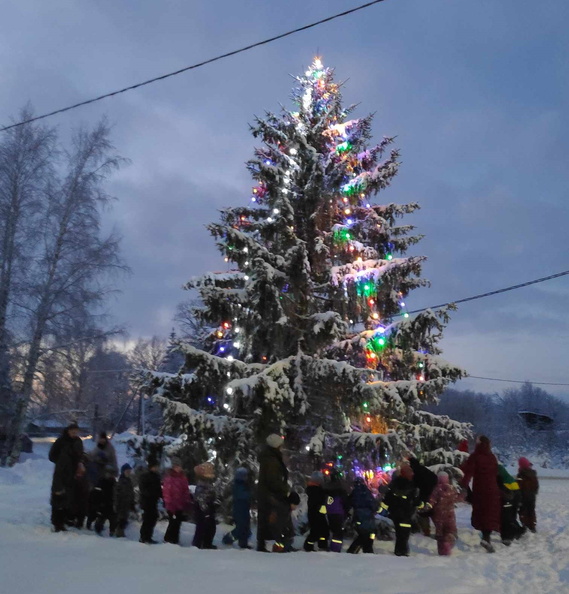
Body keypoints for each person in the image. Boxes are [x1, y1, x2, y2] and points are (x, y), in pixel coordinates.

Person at [460, 435, 501, 553]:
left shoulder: (475, 456)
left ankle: (486, 538)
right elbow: (496, 471)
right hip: (493, 488)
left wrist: (463, 485)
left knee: (482, 512)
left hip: (480, 489)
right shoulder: (492, 457)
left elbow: (468, 472)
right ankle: (486, 537)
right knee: (490, 513)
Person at [257, 434, 294, 553]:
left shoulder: (270, 458)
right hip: (272, 495)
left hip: (268, 494)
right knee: (275, 521)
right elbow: (273, 480)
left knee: (269, 520)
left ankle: (268, 544)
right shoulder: (272, 461)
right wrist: (284, 489)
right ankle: (275, 545)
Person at [48, 421, 84, 532]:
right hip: (61, 472)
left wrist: (80, 463)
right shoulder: (61, 441)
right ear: (68, 431)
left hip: (72, 473)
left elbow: (80, 455)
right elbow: (52, 455)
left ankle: (64, 520)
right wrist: (61, 462)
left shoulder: (78, 441)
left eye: (76, 432)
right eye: (73, 431)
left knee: (68, 498)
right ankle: (57, 523)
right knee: (58, 496)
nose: (74, 433)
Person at [381, 463, 420, 557]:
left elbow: (387, 498)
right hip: (406, 513)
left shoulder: (394, 484)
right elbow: (415, 500)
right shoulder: (411, 485)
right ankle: (402, 552)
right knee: (404, 534)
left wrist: (385, 510)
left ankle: (399, 550)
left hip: (395, 513)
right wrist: (419, 504)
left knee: (399, 533)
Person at [426, 472, 465, 556]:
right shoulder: (452, 488)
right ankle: (448, 544)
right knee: (450, 530)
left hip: (438, 514)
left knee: (440, 532)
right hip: (449, 514)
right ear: (447, 479)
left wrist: (427, 506)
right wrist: (462, 495)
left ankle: (441, 550)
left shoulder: (436, 489)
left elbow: (432, 501)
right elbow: (457, 498)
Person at [163, 457, 191, 545]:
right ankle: (168, 539)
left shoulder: (183, 478)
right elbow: (166, 492)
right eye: (176, 466)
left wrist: (187, 501)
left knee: (178, 523)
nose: (178, 468)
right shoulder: (169, 478)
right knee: (173, 522)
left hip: (180, 504)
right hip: (172, 505)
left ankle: (175, 539)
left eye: (179, 466)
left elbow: (185, 490)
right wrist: (169, 503)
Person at [223, 467, 252, 549]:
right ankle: (228, 539)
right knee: (240, 527)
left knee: (245, 527)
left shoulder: (244, 485)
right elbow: (241, 496)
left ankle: (243, 543)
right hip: (239, 509)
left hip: (244, 509)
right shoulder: (238, 485)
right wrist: (249, 495)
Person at [408, 456, 437, 536]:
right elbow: (434, 478)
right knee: (432, 511)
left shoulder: (415, 471)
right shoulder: (423, 469)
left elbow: (414, 484)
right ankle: (439, 529)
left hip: (424, 493)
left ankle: (426, 530)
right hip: (432, 491)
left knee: (424, 512)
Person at [347, 477, 377, 554]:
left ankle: (352, 551)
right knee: (370, 533)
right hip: (369, 517)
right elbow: (373, 504)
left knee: (362, 534)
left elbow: (349, 503)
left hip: (359, 516)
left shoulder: (355, 492)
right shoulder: (367, 492)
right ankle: (368, 549)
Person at [192, 462, 218, 549]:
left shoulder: (208, 483)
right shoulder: (201, 484)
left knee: (210, 527)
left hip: (208, 508)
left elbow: (211, 495)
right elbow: (200, 498)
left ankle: (207, 543)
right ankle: (197, 544)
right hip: (202, 510)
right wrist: (206, 511)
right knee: (201, 527)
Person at [497, 465, 524, 545]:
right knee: (511, 517)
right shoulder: (507, 476)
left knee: (506, 518)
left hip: (509, 498)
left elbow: (502, 490)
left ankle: (508, 537)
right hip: (515, 498)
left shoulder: (500, 478)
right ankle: (518, 530)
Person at [324, 469, 350, 553]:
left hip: (329, 512)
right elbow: (345, 502)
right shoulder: (341, 489)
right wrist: (347, 512)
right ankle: (335, 549)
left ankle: (329, 546)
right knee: (338, 532)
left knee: (332, 530)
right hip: (339, 512)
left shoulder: (326, 488)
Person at [303, 471, 329, 552]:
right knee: (317, 531)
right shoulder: (316, 490)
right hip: (316, 513)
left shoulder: (314, 489)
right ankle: (309, 546)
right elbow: (319, 501)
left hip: (317, 512)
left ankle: (320, 545)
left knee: (321, 530)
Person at [139, 457, 162, 544]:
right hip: (147, 501)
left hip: (154, 501)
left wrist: (160, 495)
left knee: (153, 518)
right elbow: (143, 489)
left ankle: (148, 536)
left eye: (156, 466)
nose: (156, 468)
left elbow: (159, 489)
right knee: (147, 519)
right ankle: (143, 537)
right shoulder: (145, 476)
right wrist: (151, 494)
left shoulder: (156, 476)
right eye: (154, 466)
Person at [91, 465, 117, 536]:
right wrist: (98, 503)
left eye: (111, 473)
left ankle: (112, 531)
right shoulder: (101, 481)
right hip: (102, 503)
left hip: (111, 503)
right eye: (109, 473)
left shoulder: (113, 482)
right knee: (101, 517)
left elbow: (115, 492)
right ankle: (97, 531)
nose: (110, 475)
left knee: (113, 518)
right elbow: (96, 493)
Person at [517, 457, 539, 533]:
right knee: (531, 510)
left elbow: (518, 486)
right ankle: (532, 526)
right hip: (532, 496)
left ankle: (524, 525)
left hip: (523, 496)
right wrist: (534, 492)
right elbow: (536, 485)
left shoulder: (521, 474)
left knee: (522, 511)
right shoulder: (533, 474)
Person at [115, 463, 135, 538]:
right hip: (121, 504)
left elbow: (131, 492)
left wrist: (132, 503)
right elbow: (117, 494)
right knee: (121, 519)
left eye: (129, 471)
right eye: (127, 471)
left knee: (124, 519)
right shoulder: (120, 481)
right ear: (123, 471)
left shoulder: (129, 480)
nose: (129, 472)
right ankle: (119, 533)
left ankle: (121, 532)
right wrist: (117, 504)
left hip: (127, 503)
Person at [71, 462, 90, 529]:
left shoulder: (84, 480)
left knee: (81, 510)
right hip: (75, 499)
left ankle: (79, 522)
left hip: (82, 499)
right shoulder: (73, 479)